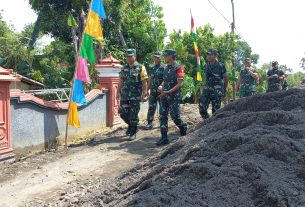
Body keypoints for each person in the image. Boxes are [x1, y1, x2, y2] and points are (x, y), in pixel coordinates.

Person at [156, 49, 187, 146]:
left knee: (175, 116)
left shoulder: (178, 67)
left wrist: (168, 92)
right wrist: (161, 86)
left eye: (166, 55)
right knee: (162, 116)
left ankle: (183, 128)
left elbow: (180, 84)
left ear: (171, 56)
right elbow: (164, 81)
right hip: (164, 96)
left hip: (173, 96)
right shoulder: (165, 68)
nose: (164, 57)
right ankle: (164, 138)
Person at [116, 49, 148, 141]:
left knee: (134, 114)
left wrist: (145, 93)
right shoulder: (124, 68)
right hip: (125, 95)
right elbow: (121, 80)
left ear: (135, 57)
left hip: (135, 95)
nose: (128, 58)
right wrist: (117, 92)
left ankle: (133, 132)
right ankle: (131, 125)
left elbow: (144, 81)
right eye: (127, 56)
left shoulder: (140, 67)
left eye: (130, 56)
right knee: (123, 113)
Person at [199, 49, 228, 119]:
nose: (208, 56)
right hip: (207, 89)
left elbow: (226, 78)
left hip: (217, 90)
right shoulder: (206, 65)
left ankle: (214, 126)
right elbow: (205, 78)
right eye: (207, 54)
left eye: (210, 54)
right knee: (202, 108)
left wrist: (224, 89)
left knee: (216, 112)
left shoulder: (221, 65)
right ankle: (207, 121)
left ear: (215, 56)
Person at [144, 51, 165, 130]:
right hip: (153, 91)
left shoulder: (164, 67)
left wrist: (162, 85)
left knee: (162, 108)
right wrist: (147, 90)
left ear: (161, 58)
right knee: (151, 107)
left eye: (158, 57)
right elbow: (150, 80)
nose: (156, 59)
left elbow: (166, 79)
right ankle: (149, 123)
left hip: (162, 91)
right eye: (155, 57)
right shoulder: (151, 68)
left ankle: (162, 123)